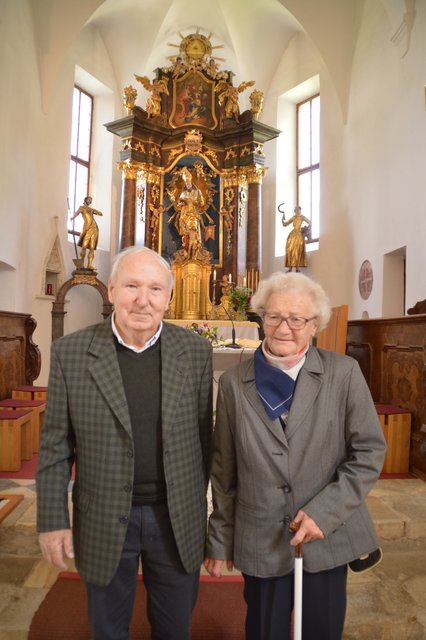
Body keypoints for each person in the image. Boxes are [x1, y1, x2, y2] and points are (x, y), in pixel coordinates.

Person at [36, 246, 213, 640]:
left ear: (169, 298)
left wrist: (200, 511)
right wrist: (51, 521)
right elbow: (54, 448)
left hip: (175, 518)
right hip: (102, 513)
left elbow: (205, 438)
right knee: (108, 628)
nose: (142, 299)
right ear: (111, 289)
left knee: (174, 627)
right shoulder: (71, 353)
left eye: (154, 288)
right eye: (132, 285)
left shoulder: (196, 352)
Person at [204, 271, 386, 640]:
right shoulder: (233, 385)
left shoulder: (344, 374)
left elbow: (368, 452)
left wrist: (325, 513)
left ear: (314, 324)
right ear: (261, 318)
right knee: (264, 631)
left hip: (325, 538)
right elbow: (224, 472)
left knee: (322, 631)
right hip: (262, 539)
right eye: (273, 316)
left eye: (297, 319)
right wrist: (220, 540)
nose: (283, 327)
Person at [72, 196, 103, 270]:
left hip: (94, 228)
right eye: (89, 200)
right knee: (84, 246)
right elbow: (76, 213)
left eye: (91, 200)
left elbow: (101, 214)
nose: (90, 201)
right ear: (85, 200)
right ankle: (81, 265)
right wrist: (72, 217)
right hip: (87, 228)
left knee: (92, 247)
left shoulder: (91, 209)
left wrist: (94, 211)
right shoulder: (82, 208)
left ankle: (89, 265)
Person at [282, 205, 311, 272]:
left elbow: (310, 222)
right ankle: (290, 267)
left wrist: (306, 230)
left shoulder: (302, 217)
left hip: (299, 235)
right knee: (290, 249)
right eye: (296, 210)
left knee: (297, 250)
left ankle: (297, 267)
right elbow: (285, 224)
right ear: (295, 211)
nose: (298, 211)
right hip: (292, 235)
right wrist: (283, 221)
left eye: (299, 210)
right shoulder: (293, 217)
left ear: (300, 210)